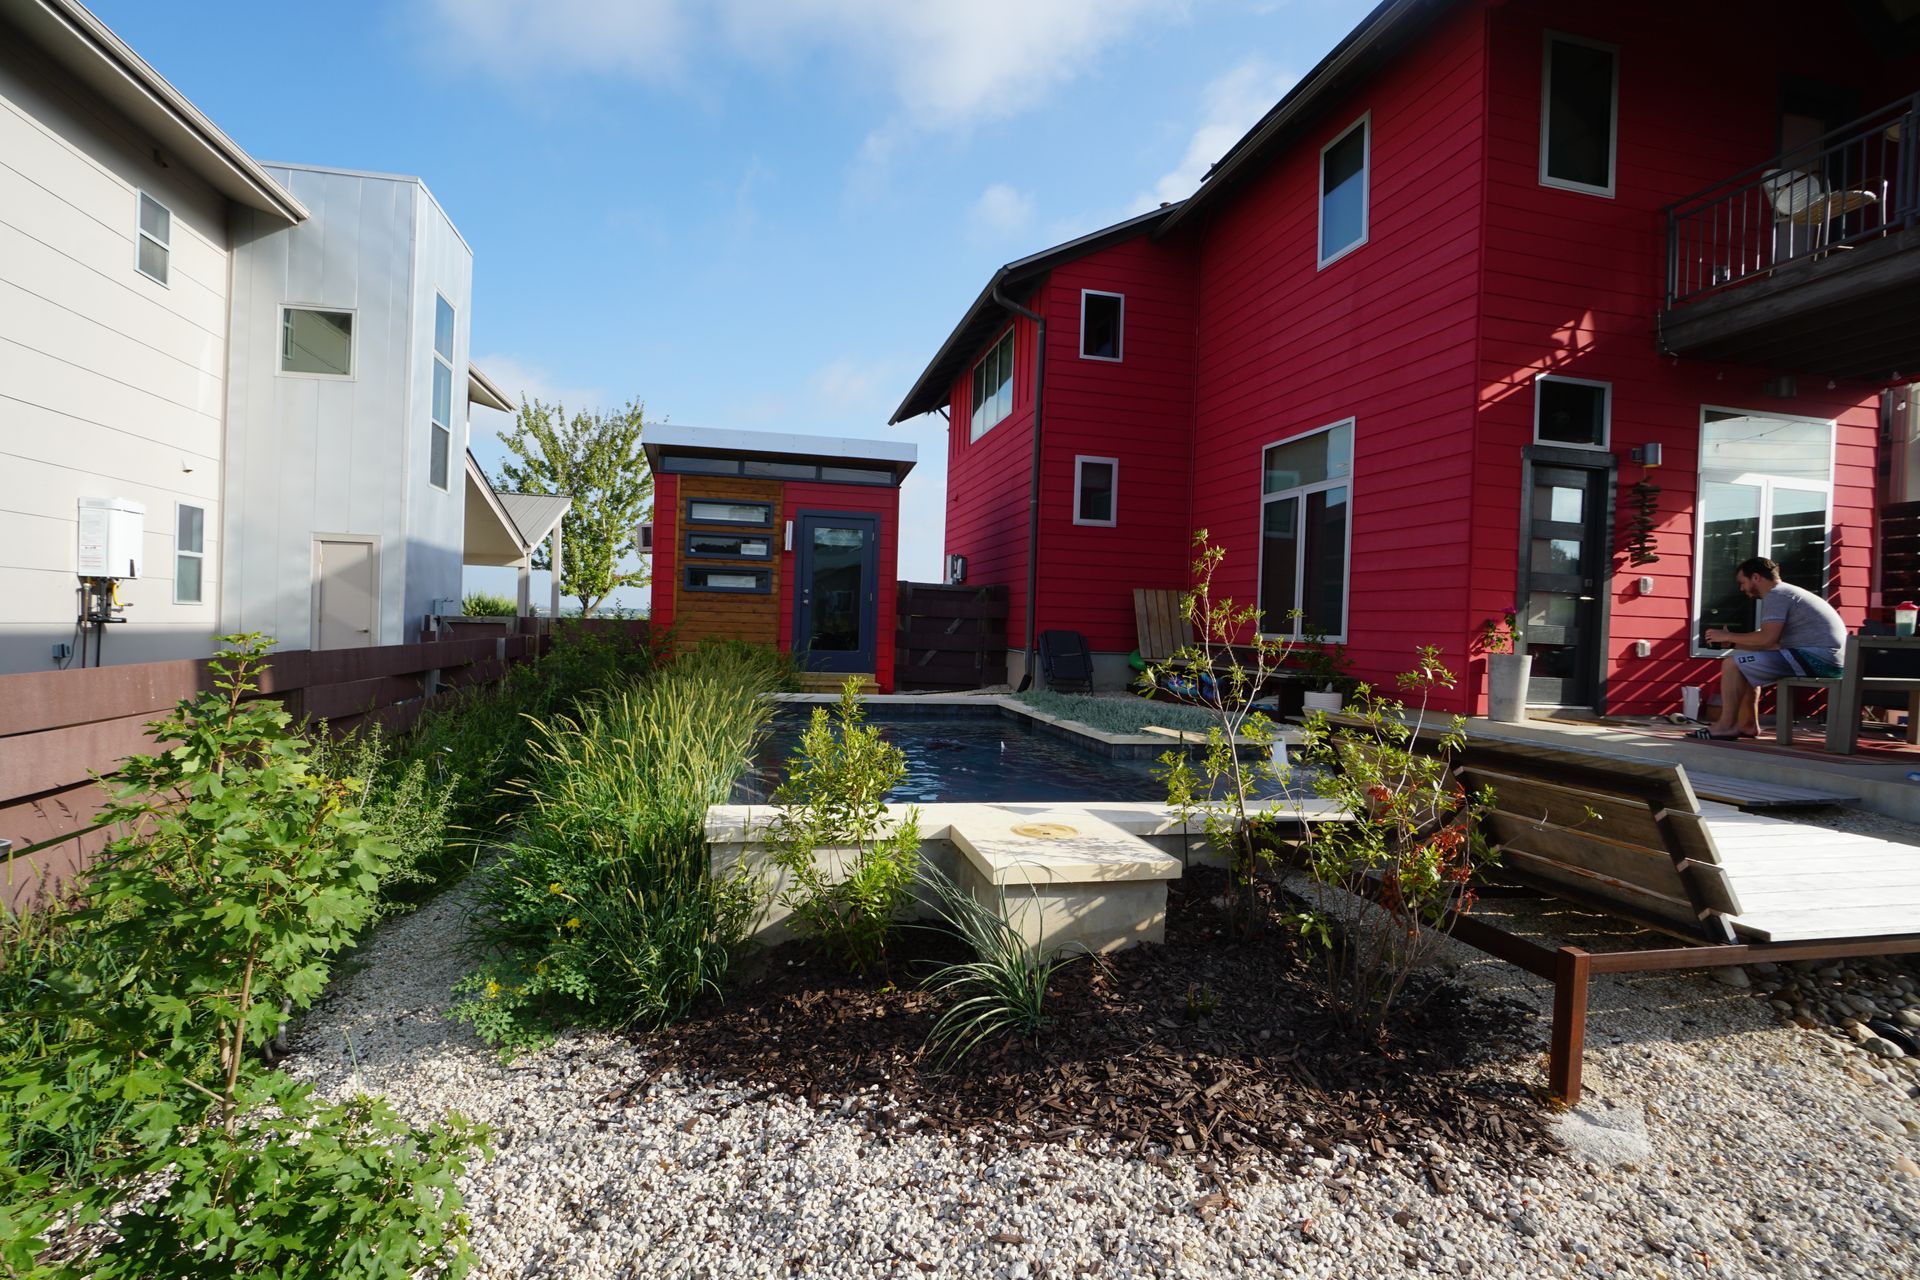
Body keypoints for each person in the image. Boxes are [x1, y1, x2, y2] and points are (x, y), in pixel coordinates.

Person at [1694, 556, 1846, 741]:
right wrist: (1733, 643)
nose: (1742, 588)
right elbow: (1773, 642)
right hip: (1825, 658)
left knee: (1732, 664)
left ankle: (1726, 726)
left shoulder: (1777, 594)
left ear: (1756, 577)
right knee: (1745, 663)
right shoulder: (1787, 593)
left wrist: (1727, 636)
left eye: (1742, 582)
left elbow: (1767, 639)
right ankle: (1748, 724)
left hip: (1816, 658)